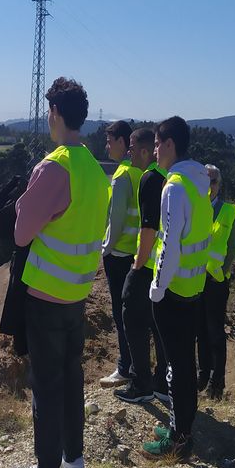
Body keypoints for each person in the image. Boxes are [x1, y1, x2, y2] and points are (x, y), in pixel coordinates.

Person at [8, 77, 109, 468]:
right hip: (77, 294)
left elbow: (21, 233)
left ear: (54, 113)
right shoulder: (95, 171)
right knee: (71, 380)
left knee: (46, 386)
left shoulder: (54, 166)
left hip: (45, 296)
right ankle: (74, 461)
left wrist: (21, 203)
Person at [143, 116, 211, 460]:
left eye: (157, 144)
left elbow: (169, 246)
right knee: (185, 362)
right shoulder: (200, 181)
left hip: (172, 292)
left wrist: (156, 288)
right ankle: (180, 426)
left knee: (175, 367)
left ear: (170, 144)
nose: (155, 151)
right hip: (193, 287)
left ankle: (178, 439)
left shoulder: (174, 187)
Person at [115, 128, 169, 405]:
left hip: (147, 264)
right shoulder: (166, 179)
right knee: (156, 324)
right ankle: (161, 383)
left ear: (146, 151)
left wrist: (137, 264)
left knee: (132, 319)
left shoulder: (149, 179)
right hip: (161, 265)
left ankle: (141, 383)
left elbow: (149, 226)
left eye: (133, 148)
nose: (129, 153)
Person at [99, 120, 142, 388]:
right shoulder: (140, 173)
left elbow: (115, 221)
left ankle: (126, 366)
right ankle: (136, 365)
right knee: (136, 315)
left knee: (121, 314)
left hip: (119, 254)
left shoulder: (122, 176)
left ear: (124, 143)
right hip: (137, 253)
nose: (107, 145)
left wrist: (106, 247)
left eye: (110, 140)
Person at [196, 164, 235, 399]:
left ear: (218, 185)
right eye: (205, 181)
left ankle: (217, 382)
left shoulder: (228, 212)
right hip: (195, 279)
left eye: (213, 182)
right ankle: (202, 375)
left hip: (216, 282)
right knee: (199, 330)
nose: (209, 186)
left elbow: (233, 248)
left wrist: (219, 270)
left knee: (214, 331)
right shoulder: (194, 207)